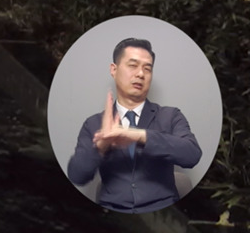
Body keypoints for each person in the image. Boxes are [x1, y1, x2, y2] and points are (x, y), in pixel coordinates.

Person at [66, 38, 202, 213]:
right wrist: (100, 147)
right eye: (133, 65)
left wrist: (140, 136)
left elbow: (192, 155)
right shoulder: (94, 124)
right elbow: (77, 175)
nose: (140, 74)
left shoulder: (170, 116)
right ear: (114, 70)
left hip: (164, 213)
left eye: (147, 68)